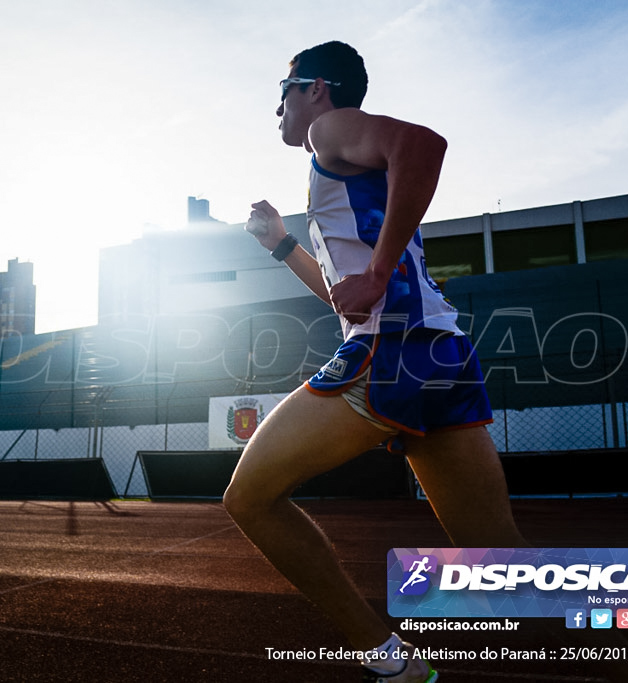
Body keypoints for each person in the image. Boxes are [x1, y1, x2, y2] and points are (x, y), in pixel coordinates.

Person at [223, 41, 526, 682]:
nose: (276, 106)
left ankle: (389, 662)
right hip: (438, 349)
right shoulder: (340, 173)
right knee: (502, 563)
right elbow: (347, 296)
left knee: (250, 498)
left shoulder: (329, 131)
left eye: (283, 92)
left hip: (394, 350)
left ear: (317, 90)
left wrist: (380, 271)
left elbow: (424, 146)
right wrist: (282, 245)